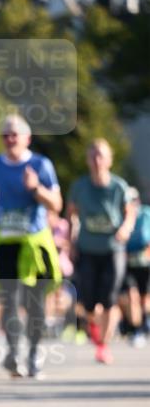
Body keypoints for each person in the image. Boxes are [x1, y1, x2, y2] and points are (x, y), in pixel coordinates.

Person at [0, 114, 62, 378]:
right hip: (6, 242)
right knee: (10, 300)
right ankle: (14, 352)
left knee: (35, 302)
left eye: (15, 134)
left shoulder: (41, 164)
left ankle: (34, 353)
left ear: (28, 137)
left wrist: (36, 189)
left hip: (34, 242)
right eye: (5, 135)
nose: (10, 139)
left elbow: (56, 205)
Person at [66, 139, 136, 364]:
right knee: (87, 301)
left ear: (109, 159)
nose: (97, 161)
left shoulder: (118, 186)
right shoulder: (79, 187)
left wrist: (125, 228)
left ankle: (103, 345)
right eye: (93, 156)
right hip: (87, 249)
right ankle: (96, 332)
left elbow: (130, 213)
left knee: (108, 298)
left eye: (101, 156)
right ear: (88, 160)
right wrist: (71, 238)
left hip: (112, 249)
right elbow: (72, 214)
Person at [119, 187, 149, 348]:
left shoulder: (146, 214)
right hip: (128, 264)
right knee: (132, 296)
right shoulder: (121, 217)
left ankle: (144, 325)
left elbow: (146, 237)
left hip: (145, 264)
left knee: (144, 299)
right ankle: (136, 330)